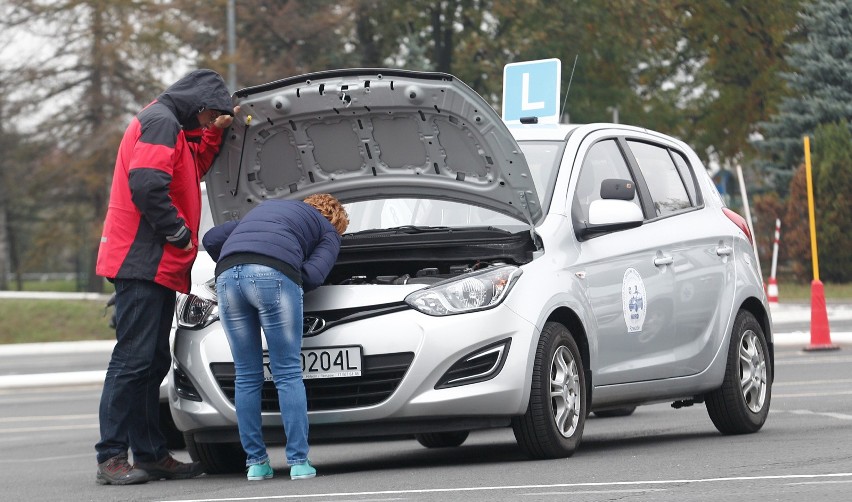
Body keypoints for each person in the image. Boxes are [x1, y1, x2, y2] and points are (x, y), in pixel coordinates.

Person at [94, 69, 238, 485]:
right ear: (196, 104)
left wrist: (215, 133)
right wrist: (177, 232)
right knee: (133, 359)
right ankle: (111, 457)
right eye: (210, 117)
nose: (209, 124)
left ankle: (152, 454)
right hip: (143, 260)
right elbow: (146, 184)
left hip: (153, 263)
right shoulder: (161, 122)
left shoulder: (172, 126)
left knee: (150, 359)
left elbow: (194, 167)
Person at [201, 194, 349, 481]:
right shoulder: (328, 230)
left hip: (227, 276)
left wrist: (239, 264)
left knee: (245, 375)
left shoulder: (267, 208)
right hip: (273, 275)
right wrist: (287, 277)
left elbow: (211, 238)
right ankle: (298, 462)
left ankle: (256, 463)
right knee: (287, 372)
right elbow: (314, 275)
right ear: (336, 221)